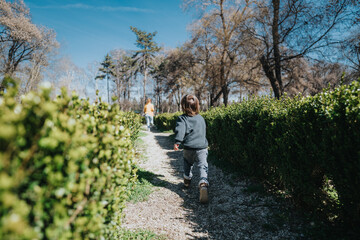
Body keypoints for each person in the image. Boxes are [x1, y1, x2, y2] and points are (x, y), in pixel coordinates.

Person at [174, 94, 209, 203]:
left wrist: (177, 142)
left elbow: (180, 131)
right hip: (202, 147)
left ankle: (187, 180)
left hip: (189, 147)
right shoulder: (201, 118)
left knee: (187, 163)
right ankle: (203, 183)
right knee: (203, 165)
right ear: (197, 105)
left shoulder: (182, 118)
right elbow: (203, 131)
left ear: (183, 106)